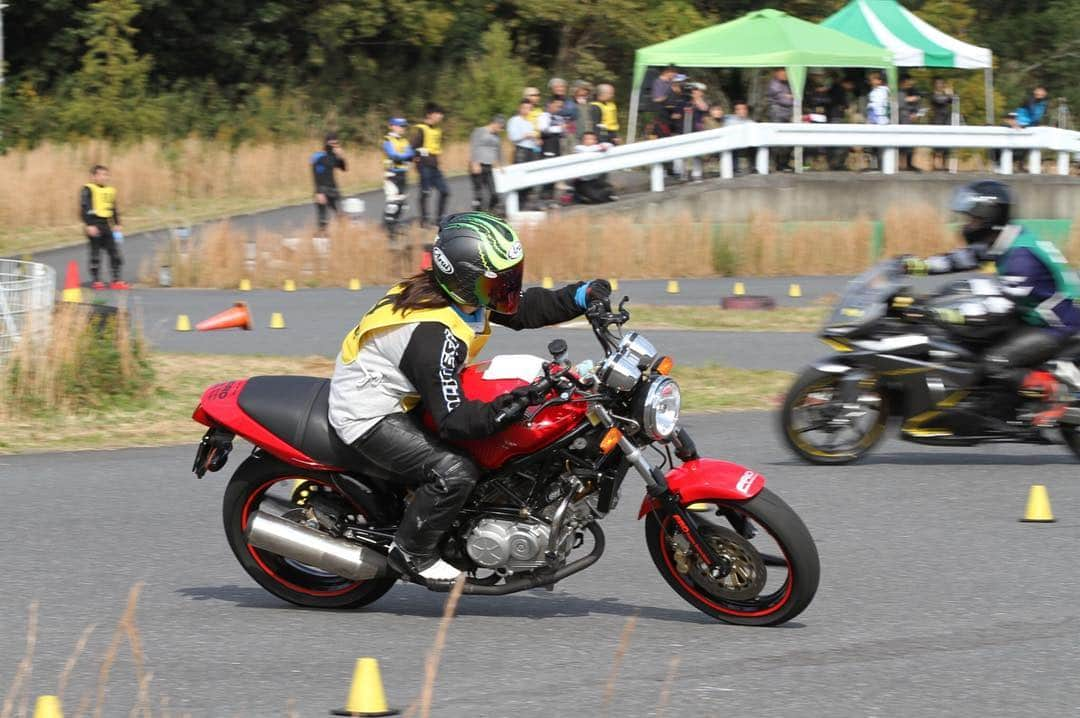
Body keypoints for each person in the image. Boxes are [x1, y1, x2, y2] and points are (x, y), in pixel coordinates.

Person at [328, 211, 613, 583]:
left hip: (409, 394)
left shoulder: (463, 296)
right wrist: (511, 405)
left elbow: (524, 309)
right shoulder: (432, 334)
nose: (509, 287)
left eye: (512, 274)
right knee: (455, 471)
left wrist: (579, 295)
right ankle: (411, 552)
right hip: (370, 412)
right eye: (502, 279)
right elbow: (454, 422)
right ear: (464, 277)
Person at [900, 181, 1080, 419]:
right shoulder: (1004, 238)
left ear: (989, 217)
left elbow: (999, 307)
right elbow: (961, 259)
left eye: (972, 219)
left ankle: (1053, 392)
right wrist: (914, 265)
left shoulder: (1020, 256)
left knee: (995, 361)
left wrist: (938, 312)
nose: (967, 225)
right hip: (1034, 315)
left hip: (1059, 326)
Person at [80, 164, 127, 290]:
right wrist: (89, 225)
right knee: (95, 254)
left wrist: (117, 223)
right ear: (93, 176)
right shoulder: (88, 189)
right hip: (94, 223)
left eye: (106, 174)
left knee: (114, 252)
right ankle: (96, 280)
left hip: (106, 224)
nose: (104, 177)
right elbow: (85, 208)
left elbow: (113, 208)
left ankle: (116, 279)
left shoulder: (110, 191)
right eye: (101, 174)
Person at [411, 103, 450, 227]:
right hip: (424, 165)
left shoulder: (438, 130)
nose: (441, 116)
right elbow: (412, 147)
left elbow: (436, 147)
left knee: (445, 191)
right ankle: (424, 220)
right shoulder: (421, 129)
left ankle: (439, 219)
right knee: (425, 192)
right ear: (429, 114)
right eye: (438, 113)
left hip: (434, 166)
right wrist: (417, 159)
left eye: (441, 114)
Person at [382, 118, 415, 237]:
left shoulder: (404, 140)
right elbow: (394, 156)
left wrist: (405, 156)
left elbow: (411, 154)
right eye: (400, 126)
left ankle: (394, 225)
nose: (403, 129)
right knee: (393, 202)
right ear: (392, 126)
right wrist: (405, 156)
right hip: (392, 174)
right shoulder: (388, 140)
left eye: (404, 126)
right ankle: (388, 228)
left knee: (402, 203)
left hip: (402, 174)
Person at [507, 100, 542, 209]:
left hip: (531, 151)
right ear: (520, 108)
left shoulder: (529, 122)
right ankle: (519, 204)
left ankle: (528, 203)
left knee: (531, 177)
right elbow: (513, 137)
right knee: (520, 177)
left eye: (529, 108)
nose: (527, 110)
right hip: (521, 151)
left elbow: (533, 138)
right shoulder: (514, 120)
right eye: (525, 108)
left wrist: (537, 141)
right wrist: (525, 135)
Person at [311, 132, 347, 234]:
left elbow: (344, 168)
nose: (334, 146)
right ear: (327, 143)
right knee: (323, 218)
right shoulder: (318, 156)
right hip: (322, 189)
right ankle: (321, 235)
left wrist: (341, 156)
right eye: (332, 143)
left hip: (333, 189)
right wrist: (318, 192)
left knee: (341, 214)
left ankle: (343, 236)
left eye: (336, 143)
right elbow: (316, 175)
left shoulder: (334, 156)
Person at [469, 115, 504, 213]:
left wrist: (500, 165)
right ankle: (478, 213)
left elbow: (498, 151)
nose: (500, 130)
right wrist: (475, 163)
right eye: (500, 127)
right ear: (495, 123)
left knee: (493, 192)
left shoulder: (496, 136)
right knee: (479, 194)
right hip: (478, 165)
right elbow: (474, 147)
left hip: (489, 166)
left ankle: (490, 211)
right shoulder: (479, 131)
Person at [537, 97, 567, 204]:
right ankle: (542, 199)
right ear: (550, 105)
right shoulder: (543, 116)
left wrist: (563, 129)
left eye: (560, 106)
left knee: (555, 173)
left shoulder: (559, 117)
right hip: (547, 146)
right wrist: (558, 129)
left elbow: (563, 133)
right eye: (557, 106)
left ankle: (551, 199)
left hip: (557, 146)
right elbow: (543, 130)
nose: (559, 108)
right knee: (546, 173)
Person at [573, 131, 616, 204]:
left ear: (595, 141)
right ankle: (580, 196)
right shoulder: (579, 148)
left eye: (591, 139)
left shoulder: (597, 149)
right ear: (583, 141)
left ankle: (596, 196)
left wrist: (602, 146)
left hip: (595, 180)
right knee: (596, 199)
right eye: (587, 139)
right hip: (583, 182)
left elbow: (610, 145)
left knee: (609, 189)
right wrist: (601, 147)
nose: (589, 141)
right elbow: (587, 150)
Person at [767, 68, 794, 171]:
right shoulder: (774, 85)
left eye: (786, 73)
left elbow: (792, 98)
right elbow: (786, 101)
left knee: (788, 140)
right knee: (779, 141)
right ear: (776, 73)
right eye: (782, 73)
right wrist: (790, 97)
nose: (785, 75)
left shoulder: (787, 84)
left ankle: (784, 163)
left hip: (787, 116)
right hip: (777, 116)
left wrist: (790, 96)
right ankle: (779, 164)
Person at [865, 72, 891, 171]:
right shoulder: (880, 91)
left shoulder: (880, 92)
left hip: (878, 120)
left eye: (873, 79)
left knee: (877, 145)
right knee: (876, 145)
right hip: (878, 119)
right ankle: (878, 165)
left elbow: (876, 106)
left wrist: (871, 119)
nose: (871, 81)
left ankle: (879, 166)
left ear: (879, 81)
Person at [898, 76, 923, 171]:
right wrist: (907, 99)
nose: (910, 84)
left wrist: (916, 114)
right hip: (900, 121)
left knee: (911, 144)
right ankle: (900, 165)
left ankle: (909, 164)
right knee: (900, 144)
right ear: (902, 82)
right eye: (908, 82)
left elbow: (919, 106)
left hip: (911, 122)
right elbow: (898, 103)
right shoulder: (898, 91)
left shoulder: (914, 91)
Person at [930, 78, 954, 171]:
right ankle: (935, 165)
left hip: (946, 121)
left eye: (941, 83)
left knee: (946, 145)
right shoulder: (933, 95)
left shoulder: (945, 95)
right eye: (938, 83)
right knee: (936, 145)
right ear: (935, 85)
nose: (940, 85)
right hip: (937, 121)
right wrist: (949, 95)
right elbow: (939, 101)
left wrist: (950, 94)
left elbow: (953, 100)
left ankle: (944, 165)